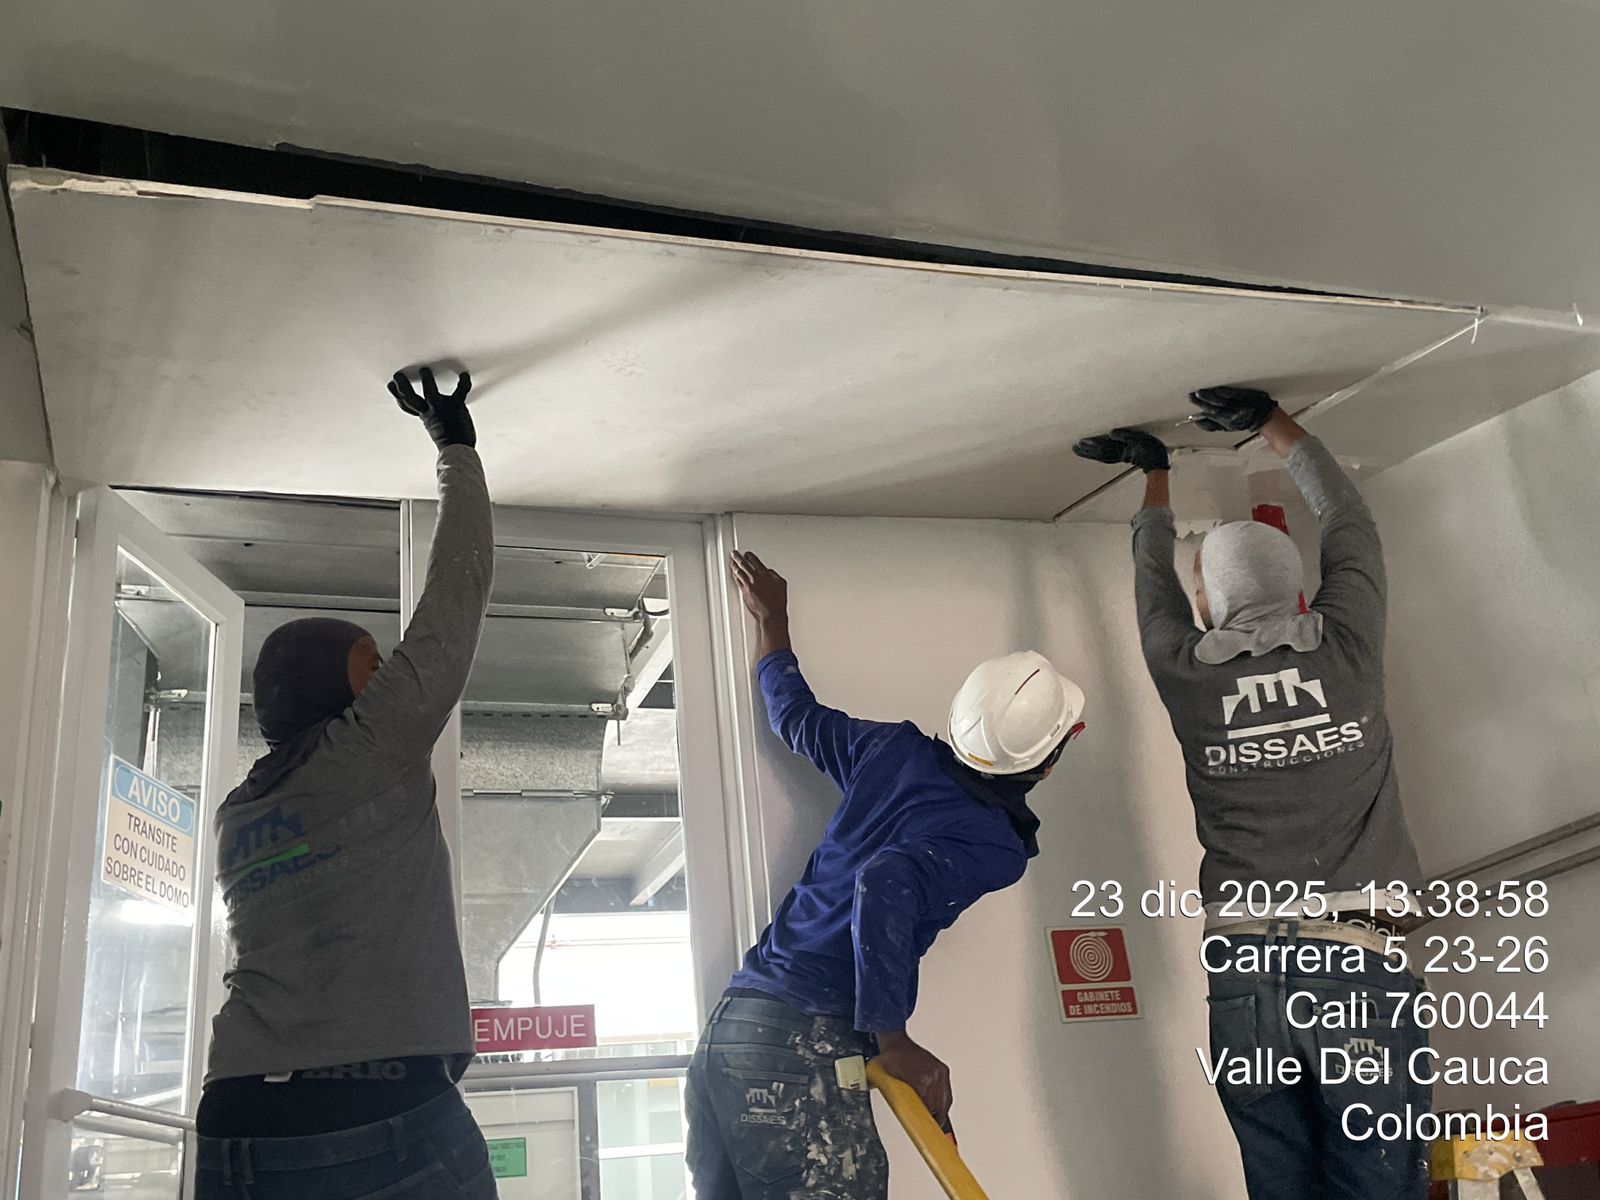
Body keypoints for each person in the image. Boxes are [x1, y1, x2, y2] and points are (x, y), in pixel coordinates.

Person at [1074, 388, 1428, 1200]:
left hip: (1243, 975)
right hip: (1353, 963)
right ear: (1296, 585)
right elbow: (1350, 523)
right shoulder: (1346, 645)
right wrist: (1274, 423)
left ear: (1210, 602)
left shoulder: (1186, 671)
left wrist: (1155, 474)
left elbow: (1150, 581)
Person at [684, 550, 1087, 1200]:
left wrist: (773, 621)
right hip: (804, 1041)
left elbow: (793, 716)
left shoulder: (890, 752)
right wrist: (892, 1039)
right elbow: (886, 880)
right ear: (1056, 752)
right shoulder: (993, 845)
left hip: (733, 1033)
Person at [195, 366, 497, 1200]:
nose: (387, 672)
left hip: (236, 1120)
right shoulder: (369, 745)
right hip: (375, 1111)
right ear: (339, 690)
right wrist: (457, 450)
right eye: (371, 664)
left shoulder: (239, 811)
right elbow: (456, 594)